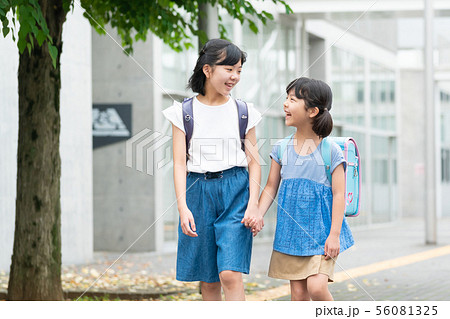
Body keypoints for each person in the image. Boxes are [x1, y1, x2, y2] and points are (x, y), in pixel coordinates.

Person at [162, 39, 262, 301]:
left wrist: (254, 204)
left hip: (236, 191)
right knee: (208, 280)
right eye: (229, 69)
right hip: (198, 192)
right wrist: (183, 208)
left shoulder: (244, 112)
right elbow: (180, 164)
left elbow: (254, 161)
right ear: (207, 70)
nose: (235, 76)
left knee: (230, 273)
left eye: (239, 70)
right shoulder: (182, 112)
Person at [251, 77, 354, 301]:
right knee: (298, 295)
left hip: (322, 234)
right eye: (286, 98)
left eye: (292, 99)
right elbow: (270, 187)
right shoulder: (281, 148)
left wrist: (334, 235)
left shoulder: (332, 151)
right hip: (291, 234)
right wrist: (258, 213)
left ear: (312, 111)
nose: (285, 104)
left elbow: (339, 195)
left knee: (316, 288)